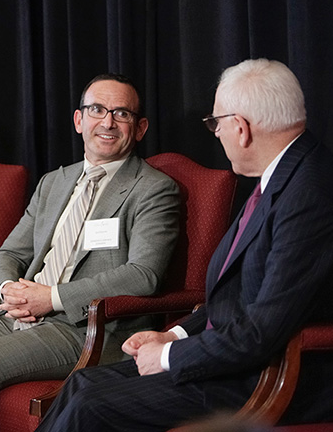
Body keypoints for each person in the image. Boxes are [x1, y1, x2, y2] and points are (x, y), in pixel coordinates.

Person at [35, 59, 333, 432]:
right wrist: (172, 334)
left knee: (90, 406)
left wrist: (169, 355)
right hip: (234, 360)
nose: (216, 134)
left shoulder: (311, 193)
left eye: (216, 123)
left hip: (268, 377)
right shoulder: (282, 174)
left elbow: (261, 331)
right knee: (82, 383)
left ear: (240, 128)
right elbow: (234, 297)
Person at [0, 73, 181, 432]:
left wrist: (51, 298)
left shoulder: (153, 188)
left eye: (121, 114)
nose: (107, 122)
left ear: (140, 127)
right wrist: (7, 290)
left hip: (83, 327)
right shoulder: (53, 182)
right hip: (17, 312)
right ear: (78, 120)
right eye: (97, 110)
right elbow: (9, 252)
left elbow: (143, 274)